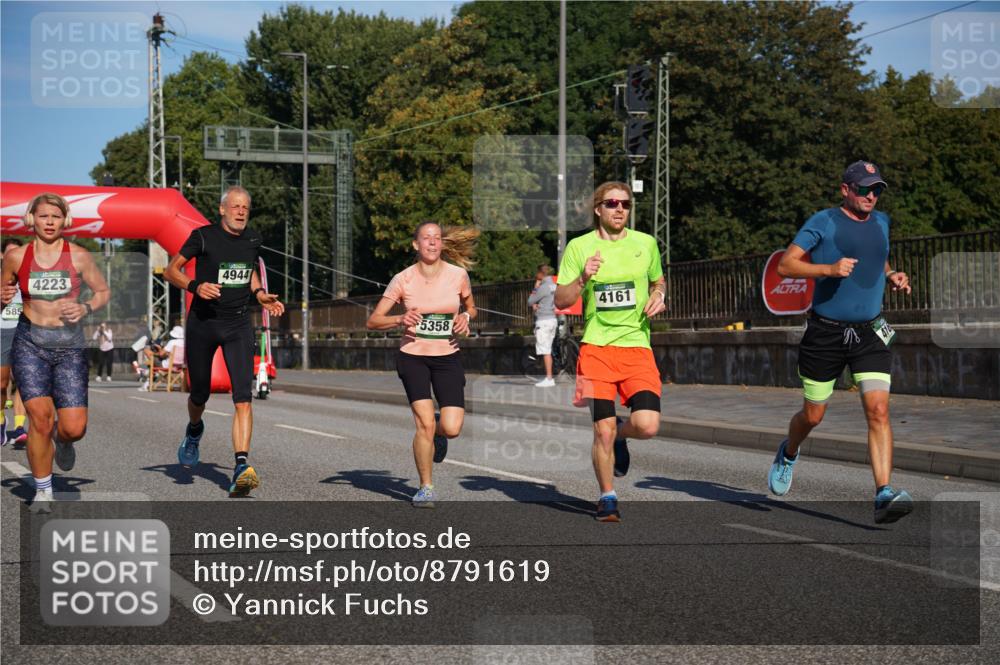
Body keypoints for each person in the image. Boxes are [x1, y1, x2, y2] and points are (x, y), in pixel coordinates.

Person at [767, 160, 913, 524]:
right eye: (864, 188)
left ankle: (883, 493)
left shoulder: (882, 222)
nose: (871, 196)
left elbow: (876, 259)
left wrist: (892, 273)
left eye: (876, 189)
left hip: (870, 332)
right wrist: (827, 270)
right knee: (813, 414)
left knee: (878, 410)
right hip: (826, 333)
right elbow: (786, 265)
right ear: (845, 189)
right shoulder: (823, 222)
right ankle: (789, 451)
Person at [554, 182, 667, 522]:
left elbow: (658, 282)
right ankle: (607, 496)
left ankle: (622, 433)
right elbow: (561, 300)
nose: (620, 209)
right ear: (598, 209)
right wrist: (582, 279)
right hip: (596, 350)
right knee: (600, 430)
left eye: (626, 204)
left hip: (636, 347)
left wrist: (660, 295)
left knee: (647, 425)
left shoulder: (645, 244)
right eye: (612, 203)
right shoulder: (579, 247)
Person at [163, 186, 284, 497]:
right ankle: (193, 431)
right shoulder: (203, 237)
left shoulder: (253, 238)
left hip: (238, 325)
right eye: (235, 206)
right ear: (222, 209)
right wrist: (194, 286)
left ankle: (241, 465)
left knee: (243, 397)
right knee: (199, 393)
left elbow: (249, 271)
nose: (241, 211)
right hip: (203, 324)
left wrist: (259, 294)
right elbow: (170, 270)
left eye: (245, 207)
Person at [0, 192, 110, 509]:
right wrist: (4, 297)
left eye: (56, 216)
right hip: (30, 342)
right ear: (31, 218)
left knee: (74, 427)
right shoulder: (16, 257)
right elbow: (3, 292)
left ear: (66, 220)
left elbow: (103, 291)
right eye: (44, 215)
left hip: (69, 345)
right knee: (41, 421)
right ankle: (44, 489)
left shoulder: (79, 256)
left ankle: (63, 442)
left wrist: (86, 306)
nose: (50, 222)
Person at [366, 222, 478, 508]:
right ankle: (425, 487)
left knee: (451, 427)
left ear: (442, 244)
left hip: (448, 356)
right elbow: (373, 320)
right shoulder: (402, 279)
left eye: (436, 238)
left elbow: (471, 306)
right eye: (426, 238)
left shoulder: (458, 275)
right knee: (423, 424)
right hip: (413, 356)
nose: (432, 242)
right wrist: (399, 319)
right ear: (415, 244)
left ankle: (439, 432)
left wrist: (466, 317)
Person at [1, 237, 28, 445]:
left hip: (25, 334)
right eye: (11, 253)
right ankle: (1, 422)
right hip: (2, 332)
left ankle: (19, 428)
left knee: (23, 381)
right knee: (2, 384)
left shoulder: (30, 279)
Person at [528, 263, 558, 387]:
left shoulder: (543, 286)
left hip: (543, 320)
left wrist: (535, 287)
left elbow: (530, 301)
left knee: (545, 350)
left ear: (541, 273)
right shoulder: (554, 285)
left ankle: (549, 378)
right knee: (548, 348)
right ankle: (549, 376)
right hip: (552, 318)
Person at [137, 325, 184, 391]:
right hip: (180, 366)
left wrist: (159, 349)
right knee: (153, 361)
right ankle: (151, 372)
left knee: (147, 351)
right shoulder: (186, 343)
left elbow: (161, 354)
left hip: (167, 365)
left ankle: (148, 382)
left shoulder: (172, 342)